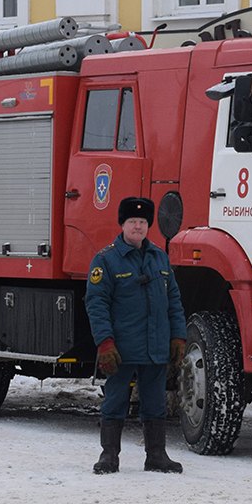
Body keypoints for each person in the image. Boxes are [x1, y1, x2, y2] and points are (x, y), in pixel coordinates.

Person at [84, 196, 187, 475]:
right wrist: (105, 342)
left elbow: (174, 301)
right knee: (115, 401)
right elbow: (96, 304)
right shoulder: (106, 260)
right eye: (133, 222)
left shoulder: (160, 258)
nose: (138, 227)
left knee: (154, 403)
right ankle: (109, 456)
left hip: (155, 348)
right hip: (121, 348)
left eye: (142, 222)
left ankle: (156, 456)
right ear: (123, 224)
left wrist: (178, 336)